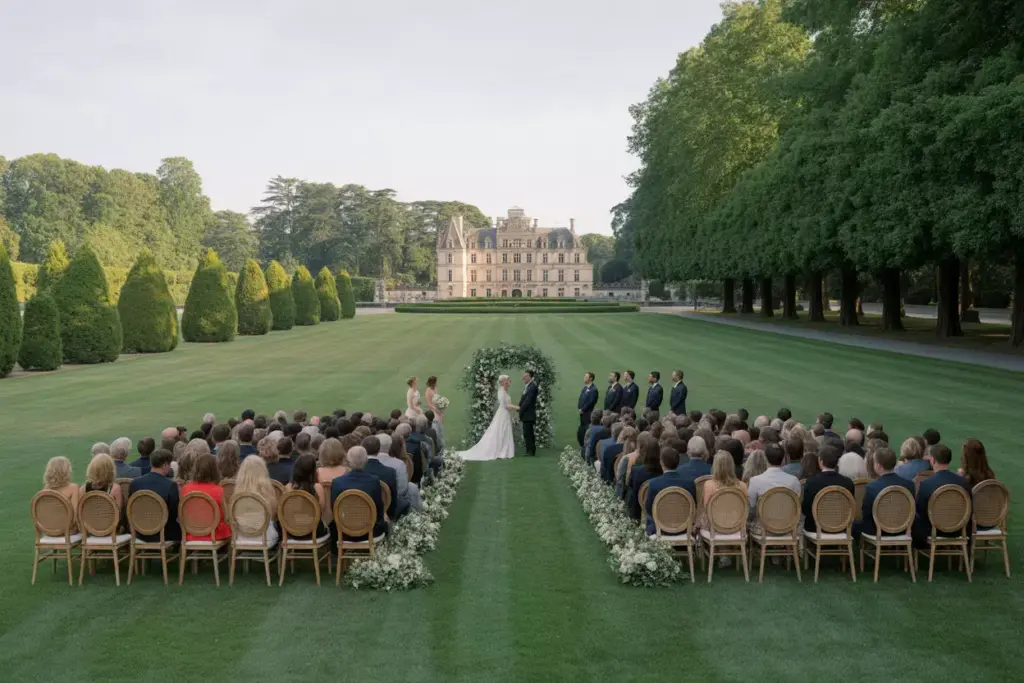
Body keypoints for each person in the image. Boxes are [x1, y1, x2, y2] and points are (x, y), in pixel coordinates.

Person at [912, 444, 971, 547]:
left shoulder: (926, 484)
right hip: (958, 529)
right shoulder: (964, 482)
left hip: (933, 530)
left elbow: (920, 510)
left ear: (933, 460)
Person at [330, 446, 387, 542]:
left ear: (348, 462)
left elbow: (334, 508)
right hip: (370, 531)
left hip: (344, 531)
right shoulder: (374, 481)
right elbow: (379, 508)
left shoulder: (337, 482)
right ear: (366, 461)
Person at [854, 447, 914, 538]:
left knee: (855, 524)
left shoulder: (872, 487)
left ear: (878, 466)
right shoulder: (909, 485)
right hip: (903, 529)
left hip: (877, 530)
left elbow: (866, 512)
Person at [458, 374, 517, 461]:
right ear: (504, 382)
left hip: (505, 414)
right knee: (501, 430)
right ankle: (501, 451)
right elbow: (506, 405)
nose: (509, 382)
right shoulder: (501, 392)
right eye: (508, 380)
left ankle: (505, 450)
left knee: (504, 431)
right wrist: (517, 407)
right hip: (503, 414)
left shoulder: (504, 391)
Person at [128, 448, 180, 542]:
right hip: (164, 532)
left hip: (140, 530)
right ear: (164, 465)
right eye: (169, 465)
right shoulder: (170, 485)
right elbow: (174, 512)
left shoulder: (135, 483)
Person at [802, 444, 854, 533]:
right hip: (841, 526)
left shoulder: (812, 482)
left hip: (816, 528)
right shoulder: (847, 483)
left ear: (820, 462)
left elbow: (806, 509)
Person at [180, 453, 231, 542]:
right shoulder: (218, 490)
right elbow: (225, 516)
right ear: (215, 470)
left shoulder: (185, 489)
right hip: (213, 533)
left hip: (192, 531)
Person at [643, 447, 691, 535]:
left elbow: (649, 508)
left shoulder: (654, 484)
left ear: (661, 462)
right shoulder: (689, 483)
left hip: (660, 528)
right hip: (683, 528)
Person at [746, 444, 801, 518]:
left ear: (765, 459)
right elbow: (797, 505)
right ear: (783, 460)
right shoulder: (794, 480)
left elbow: (751, 505)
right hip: (787, 524)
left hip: (763, 526)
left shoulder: (755, 481)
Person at [286, 453, 330, 537]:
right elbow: (322, 509)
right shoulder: (317, 488)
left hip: (292, 530)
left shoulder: (288, 488)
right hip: (314, 530)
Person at [363, 436, 405, 520]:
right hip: (383, 515)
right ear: (378, 450)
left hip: (362, 515)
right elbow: (395, 496)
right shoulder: (390, 472)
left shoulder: (357, 470)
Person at [626, 435, 663, 520]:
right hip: (659, 510)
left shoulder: (636, 471)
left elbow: (631, 489)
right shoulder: (663, 471)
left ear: (645, 453)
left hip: (639, 511)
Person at [384, 434, 423, 510]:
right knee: (412, 488)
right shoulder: (402, 462)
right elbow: (403, 489)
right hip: (396, 498)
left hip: (387, 498)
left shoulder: (405, 460)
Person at [577, 372, 599, 447]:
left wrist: (583, 409)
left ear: (591, 378)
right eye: (584, 376)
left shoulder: (593, 389)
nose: (584, 378)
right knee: (582, 427)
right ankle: (582, 444)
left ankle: (586, 445)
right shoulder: (585, 388)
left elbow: (591, 401)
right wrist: (579, 408)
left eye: (586, 377)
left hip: (587, 413)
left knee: (586, 428)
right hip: (582, 412)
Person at [519, 370, 538, 456]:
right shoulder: (528, 386)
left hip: (528, 414)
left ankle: (530, 451)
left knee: (528, 433)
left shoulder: (532, 387)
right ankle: (530, 450)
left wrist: (520, 409)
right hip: (527, 414)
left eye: (526, 376)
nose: (524, 378)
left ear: (531, 377)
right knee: (527, 433)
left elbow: (528, 401)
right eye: (524, 376)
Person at [424, 376, 445, 451]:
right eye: (435, 382)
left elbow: (438, 399)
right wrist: (437, 411)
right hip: (434, 411)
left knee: (441, 427)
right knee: (436, 428)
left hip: (438, 410)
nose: (436, 383)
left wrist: (442, 407)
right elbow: (429, 404)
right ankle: (438, 446)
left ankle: (442, 445)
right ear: (432, 383)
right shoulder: (428, 391)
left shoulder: (436, 389)